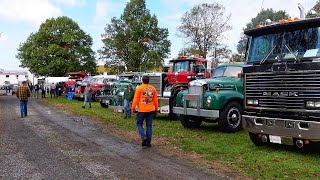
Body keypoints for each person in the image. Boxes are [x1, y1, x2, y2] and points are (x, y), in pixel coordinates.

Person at [131, 76, 158, 147]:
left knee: (139, 124)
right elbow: (155, 100)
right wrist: (156, 109)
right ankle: (148, 142)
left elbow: (136, 99)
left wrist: (133, 108)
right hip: (150, 110)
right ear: (148, 81)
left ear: (142, 80)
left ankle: (144, 137)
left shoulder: (139, 88)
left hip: (142, 110)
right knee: (149, 126)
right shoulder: (153, 89)